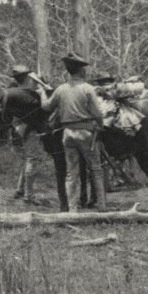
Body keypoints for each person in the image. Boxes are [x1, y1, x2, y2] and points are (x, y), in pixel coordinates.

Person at [46, 54, 112, 211]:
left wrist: (42, 94)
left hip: (67, 133)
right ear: (81, 70)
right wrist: (101, 125)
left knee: (71, 173)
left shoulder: (61, 89)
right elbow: (97, 113)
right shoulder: (88, 88)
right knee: (96, 170)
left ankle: (73, 209)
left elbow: (47, 107)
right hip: (86, 132)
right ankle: (102, 207)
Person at [5, 64, 52, 201]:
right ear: (27, 77)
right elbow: (46, 108)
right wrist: (44, 89)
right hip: (29, 130)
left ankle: (20, 190)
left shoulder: (13, 92)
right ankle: (29, 195)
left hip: (16, 130)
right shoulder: (30, 96)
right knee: (32, 160)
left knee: (26, 160)